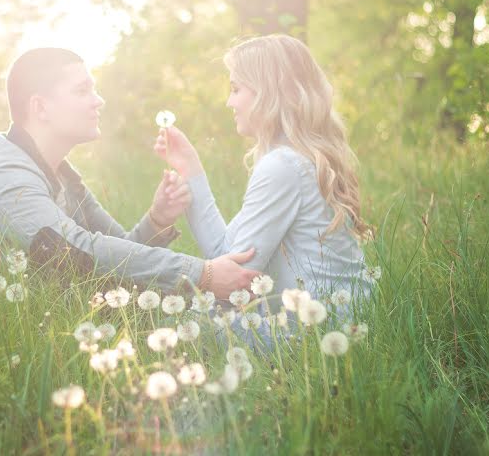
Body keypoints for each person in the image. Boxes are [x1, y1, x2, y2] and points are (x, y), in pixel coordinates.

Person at [0, 47, 260, 300]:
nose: (98, 101)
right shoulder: (6, 176)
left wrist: (156, 220)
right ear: (40, 108)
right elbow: (75, 252)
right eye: (82, 91)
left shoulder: (63, 176)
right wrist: (202, 274)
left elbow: (113, 257)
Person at [154, 34, 373, 336]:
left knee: (174, 327)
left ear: (268, 92)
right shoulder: (296, 160)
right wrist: (191, 169)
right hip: (341, 322)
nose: (229, 101)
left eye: (236, 89)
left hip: (313, 336)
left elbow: (236, 281)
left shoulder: (283, 166)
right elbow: (227, 254)